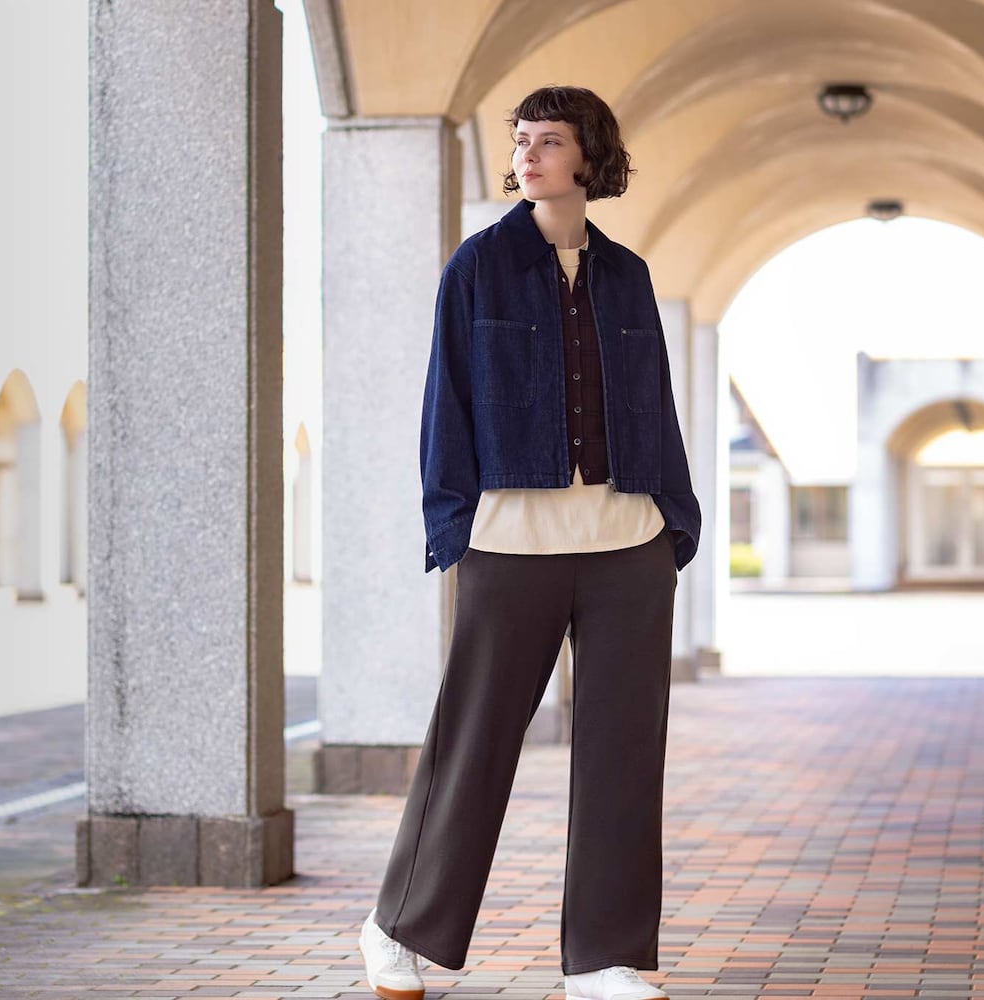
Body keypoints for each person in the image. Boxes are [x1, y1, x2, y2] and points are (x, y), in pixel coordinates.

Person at [357, 85, 701, 1000]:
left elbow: (654, 404)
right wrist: (451, 527)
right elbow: (448, 405)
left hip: (629, 541)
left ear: (589, 157)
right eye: (521, 141)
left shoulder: (626, 275)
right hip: (512, 541)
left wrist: (677, 520)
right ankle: (398, 928)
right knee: (474, 744)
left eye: (549, 140)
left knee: (625, 755)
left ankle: (606, 956)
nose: (529, 155)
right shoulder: (478, 267)